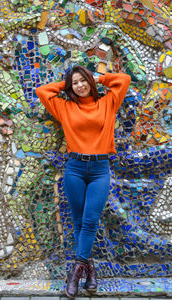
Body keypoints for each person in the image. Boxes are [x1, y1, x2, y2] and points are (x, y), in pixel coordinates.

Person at [36, 65, 131, 298]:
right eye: (74, 83)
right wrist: (66, 84)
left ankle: (75, 274)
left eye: (82, 81)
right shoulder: (65, 106)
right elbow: (42, 91)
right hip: (75, 168)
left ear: (90, 81)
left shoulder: (108, 102)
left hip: (100, 169)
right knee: (79, 222)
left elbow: (124, 79)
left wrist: (97, 78)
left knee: (89, 221)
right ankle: (89, 271)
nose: (79, 86)